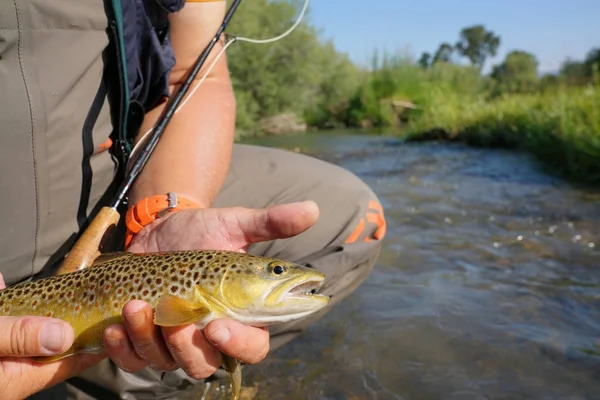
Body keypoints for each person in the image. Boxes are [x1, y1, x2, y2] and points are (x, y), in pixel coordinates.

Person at [0, 0, 386, 399]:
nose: (284, 274)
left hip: (111, 164)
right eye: (273, 271)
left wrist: (167, 209)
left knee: (353, 214)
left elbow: (190, 73)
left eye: (274, 271)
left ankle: (120, 376)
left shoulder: (195, 291)